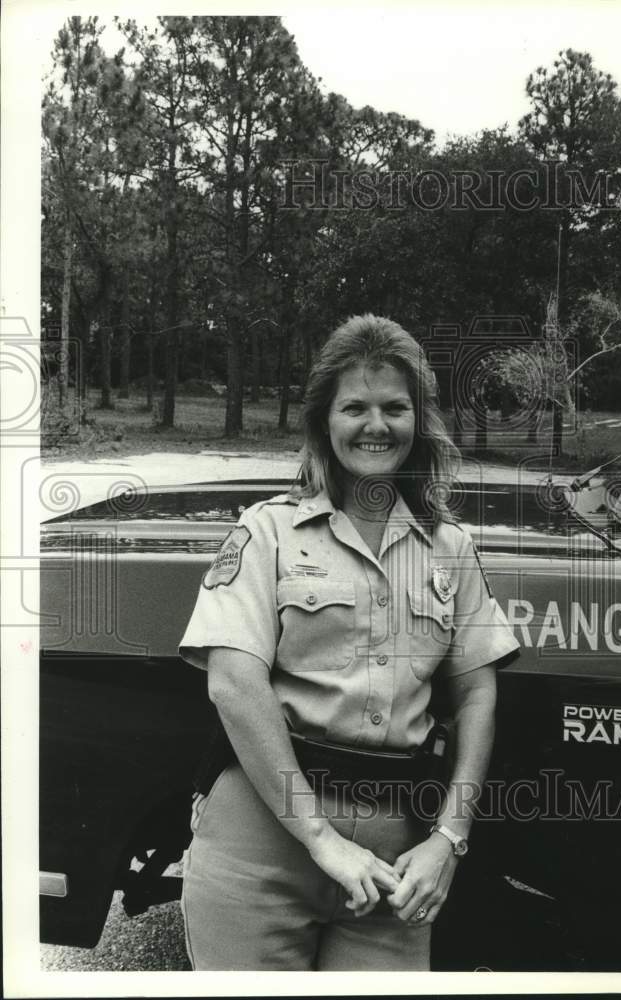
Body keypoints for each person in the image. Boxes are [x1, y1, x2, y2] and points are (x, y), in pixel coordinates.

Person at [178, 313, 519, 971]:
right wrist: (319, 839)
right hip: (262, 837)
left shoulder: (448, 548)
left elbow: (476, 693)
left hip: (396, 855)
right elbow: (231, 682)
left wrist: (449, 837)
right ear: (322, 422)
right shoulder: (268, 532)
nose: (375, 425)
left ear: (417, 421)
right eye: (354, 407)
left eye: (395, 407)